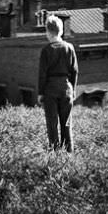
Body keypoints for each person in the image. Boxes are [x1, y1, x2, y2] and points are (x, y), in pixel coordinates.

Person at [37, 14, 78, 152]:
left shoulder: (46, 50)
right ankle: (69, 152)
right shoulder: (70, 48)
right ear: (60, 30)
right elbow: (75, 71)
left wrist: (40, 93)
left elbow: (42, 74)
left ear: (48, 32)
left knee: (52, 124)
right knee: (66, 123)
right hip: (67, 87)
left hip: (50, 89)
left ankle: (55, 154)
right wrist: (73, 90)